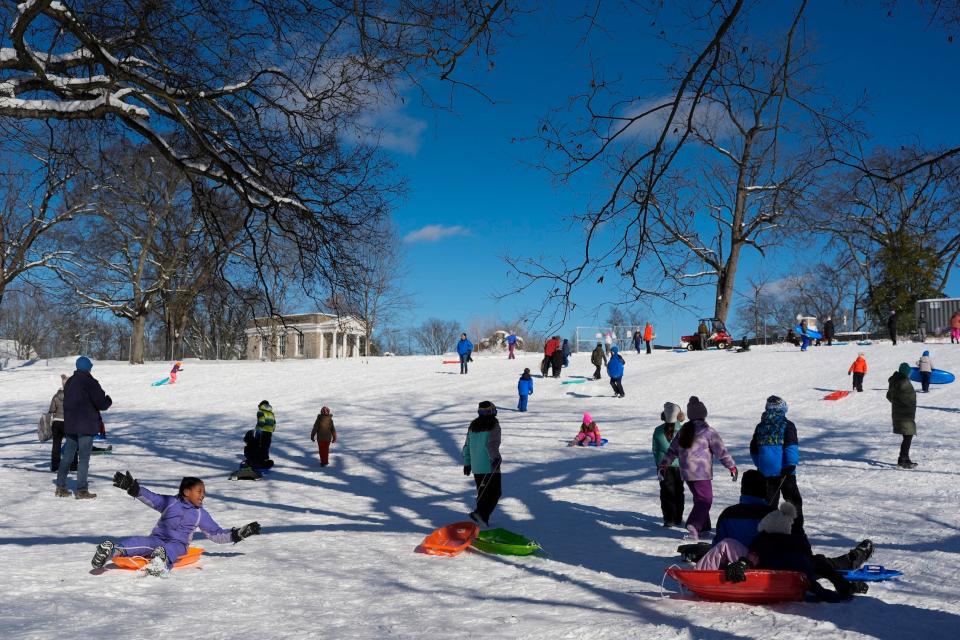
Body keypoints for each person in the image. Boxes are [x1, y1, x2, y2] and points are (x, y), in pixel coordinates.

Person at [92, 472, 261, 575]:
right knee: (138, 542)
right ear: (186, 492)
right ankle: (111, 551)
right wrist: (133, 488)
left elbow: (216, 534)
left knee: (170, 549)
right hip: (157, 539)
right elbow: (151, 497)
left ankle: (161, 561)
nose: (203, 495)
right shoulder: (170, 502)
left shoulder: (200, 514)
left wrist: (236, 534)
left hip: (178, 544)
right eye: (199, 491)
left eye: (204, 492)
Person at [722, 503, 870, 602]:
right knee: (821, 561)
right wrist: (837, 594)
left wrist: (743, 563)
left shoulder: (763, 537)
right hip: (796, 575)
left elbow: (754, 554)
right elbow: (808, 566)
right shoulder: (794, 540)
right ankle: (847, 579)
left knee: (819, 561)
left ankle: (848, 573)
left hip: (778, 571)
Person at [658, 396, 737, 540]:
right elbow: (721, 451)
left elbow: (672, 450)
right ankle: (694, 526)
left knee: (699, 499)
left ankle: (704, 528)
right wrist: (731, 466)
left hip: (687, 473)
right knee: (705, 500)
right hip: (701, 473)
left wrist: (664, 465)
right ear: (703, 414)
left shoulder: (684, 430)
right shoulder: (708, 431)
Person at [55, 356, 112, 499]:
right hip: (86, 426)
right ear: (88, 368)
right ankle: (81, 490)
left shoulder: (70, 382)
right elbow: (101, 403)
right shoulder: (90, 382)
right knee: (84, 459)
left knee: (67, 457)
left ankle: (60, 487)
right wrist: (108, 400)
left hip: (70, 425)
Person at [750, 395, 803, 527]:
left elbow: (753, 449)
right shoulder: (787, 425)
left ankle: (767, 528)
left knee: (769, 502)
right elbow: (791, 445)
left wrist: (760, 464)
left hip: (766, 471)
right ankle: (796, 528)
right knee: (792, 500)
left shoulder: (760, 426)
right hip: (785, 470)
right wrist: (791, 463)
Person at [462, 401, 502, 528]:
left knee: (483, 493)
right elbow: (492, 444)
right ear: (492, 411)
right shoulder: (493, 425)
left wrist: (467, 463)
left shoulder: (473, 425)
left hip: (477, 466)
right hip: (490, 465)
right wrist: (495, 459)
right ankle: (481, 515)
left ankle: (482, 519)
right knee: (495, 493)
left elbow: (467, 445)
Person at [652, 402, 686, 527]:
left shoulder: (658, 431)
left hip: (663, 466)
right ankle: (678, 517)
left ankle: (668, 519)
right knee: (679, 491)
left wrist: (658, 464)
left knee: (665, 492)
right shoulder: (683, 430)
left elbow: (655, 450)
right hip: (680, 466)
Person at [887, 362, 918, 468]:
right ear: (906, 372)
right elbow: (907, 398)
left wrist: (897, 403)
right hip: (905, 414)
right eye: (909, 372)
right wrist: (906, 404)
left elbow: (889, 396)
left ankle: (905, 458)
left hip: (900, 412)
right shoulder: (904, 382)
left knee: (907, 435)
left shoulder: (895, 381)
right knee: (908, 435)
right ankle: (903, 459)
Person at [48, 374, 76, 473]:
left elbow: (51, 410)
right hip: (69, 423)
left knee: (56, 445)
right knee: (72, 444)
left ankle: (55, 466)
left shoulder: (56, 396)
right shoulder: (73, 396)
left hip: (56, 423)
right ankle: (73, 466)